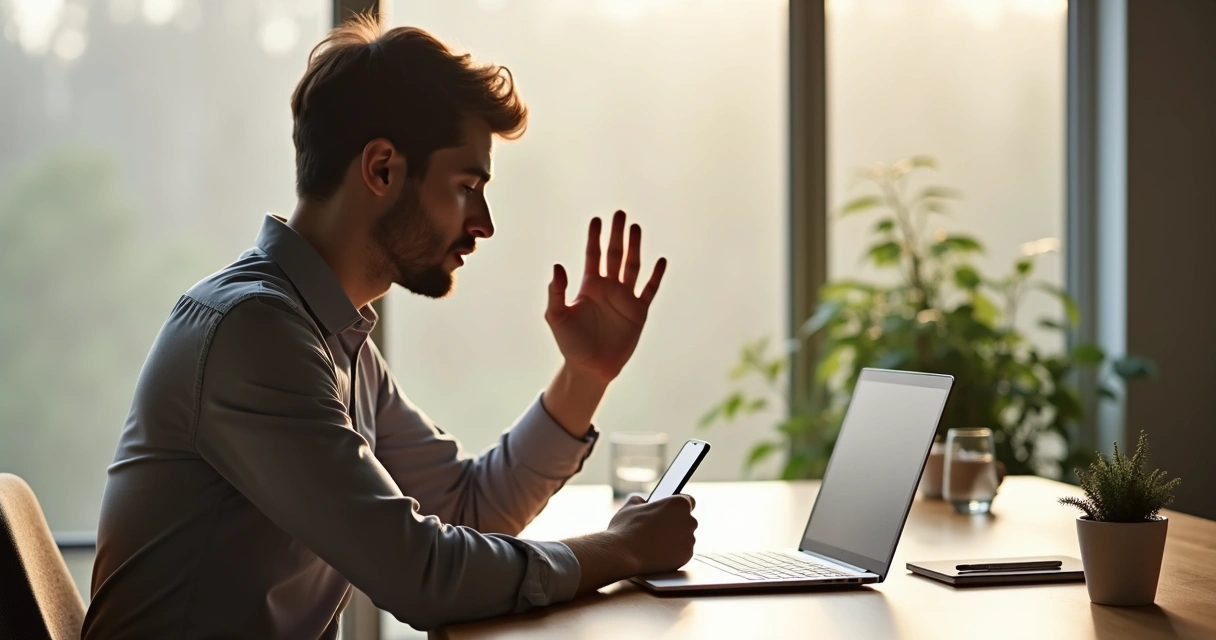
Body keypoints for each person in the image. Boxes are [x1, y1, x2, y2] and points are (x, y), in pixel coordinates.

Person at [82, 14, 697, 639]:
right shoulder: (255, 334)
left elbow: (468, 509)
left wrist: (584, 375)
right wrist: (621, 550)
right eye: (467, 185)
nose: (483, 222)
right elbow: (422, 577)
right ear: (381, 169)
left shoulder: (330, 339)